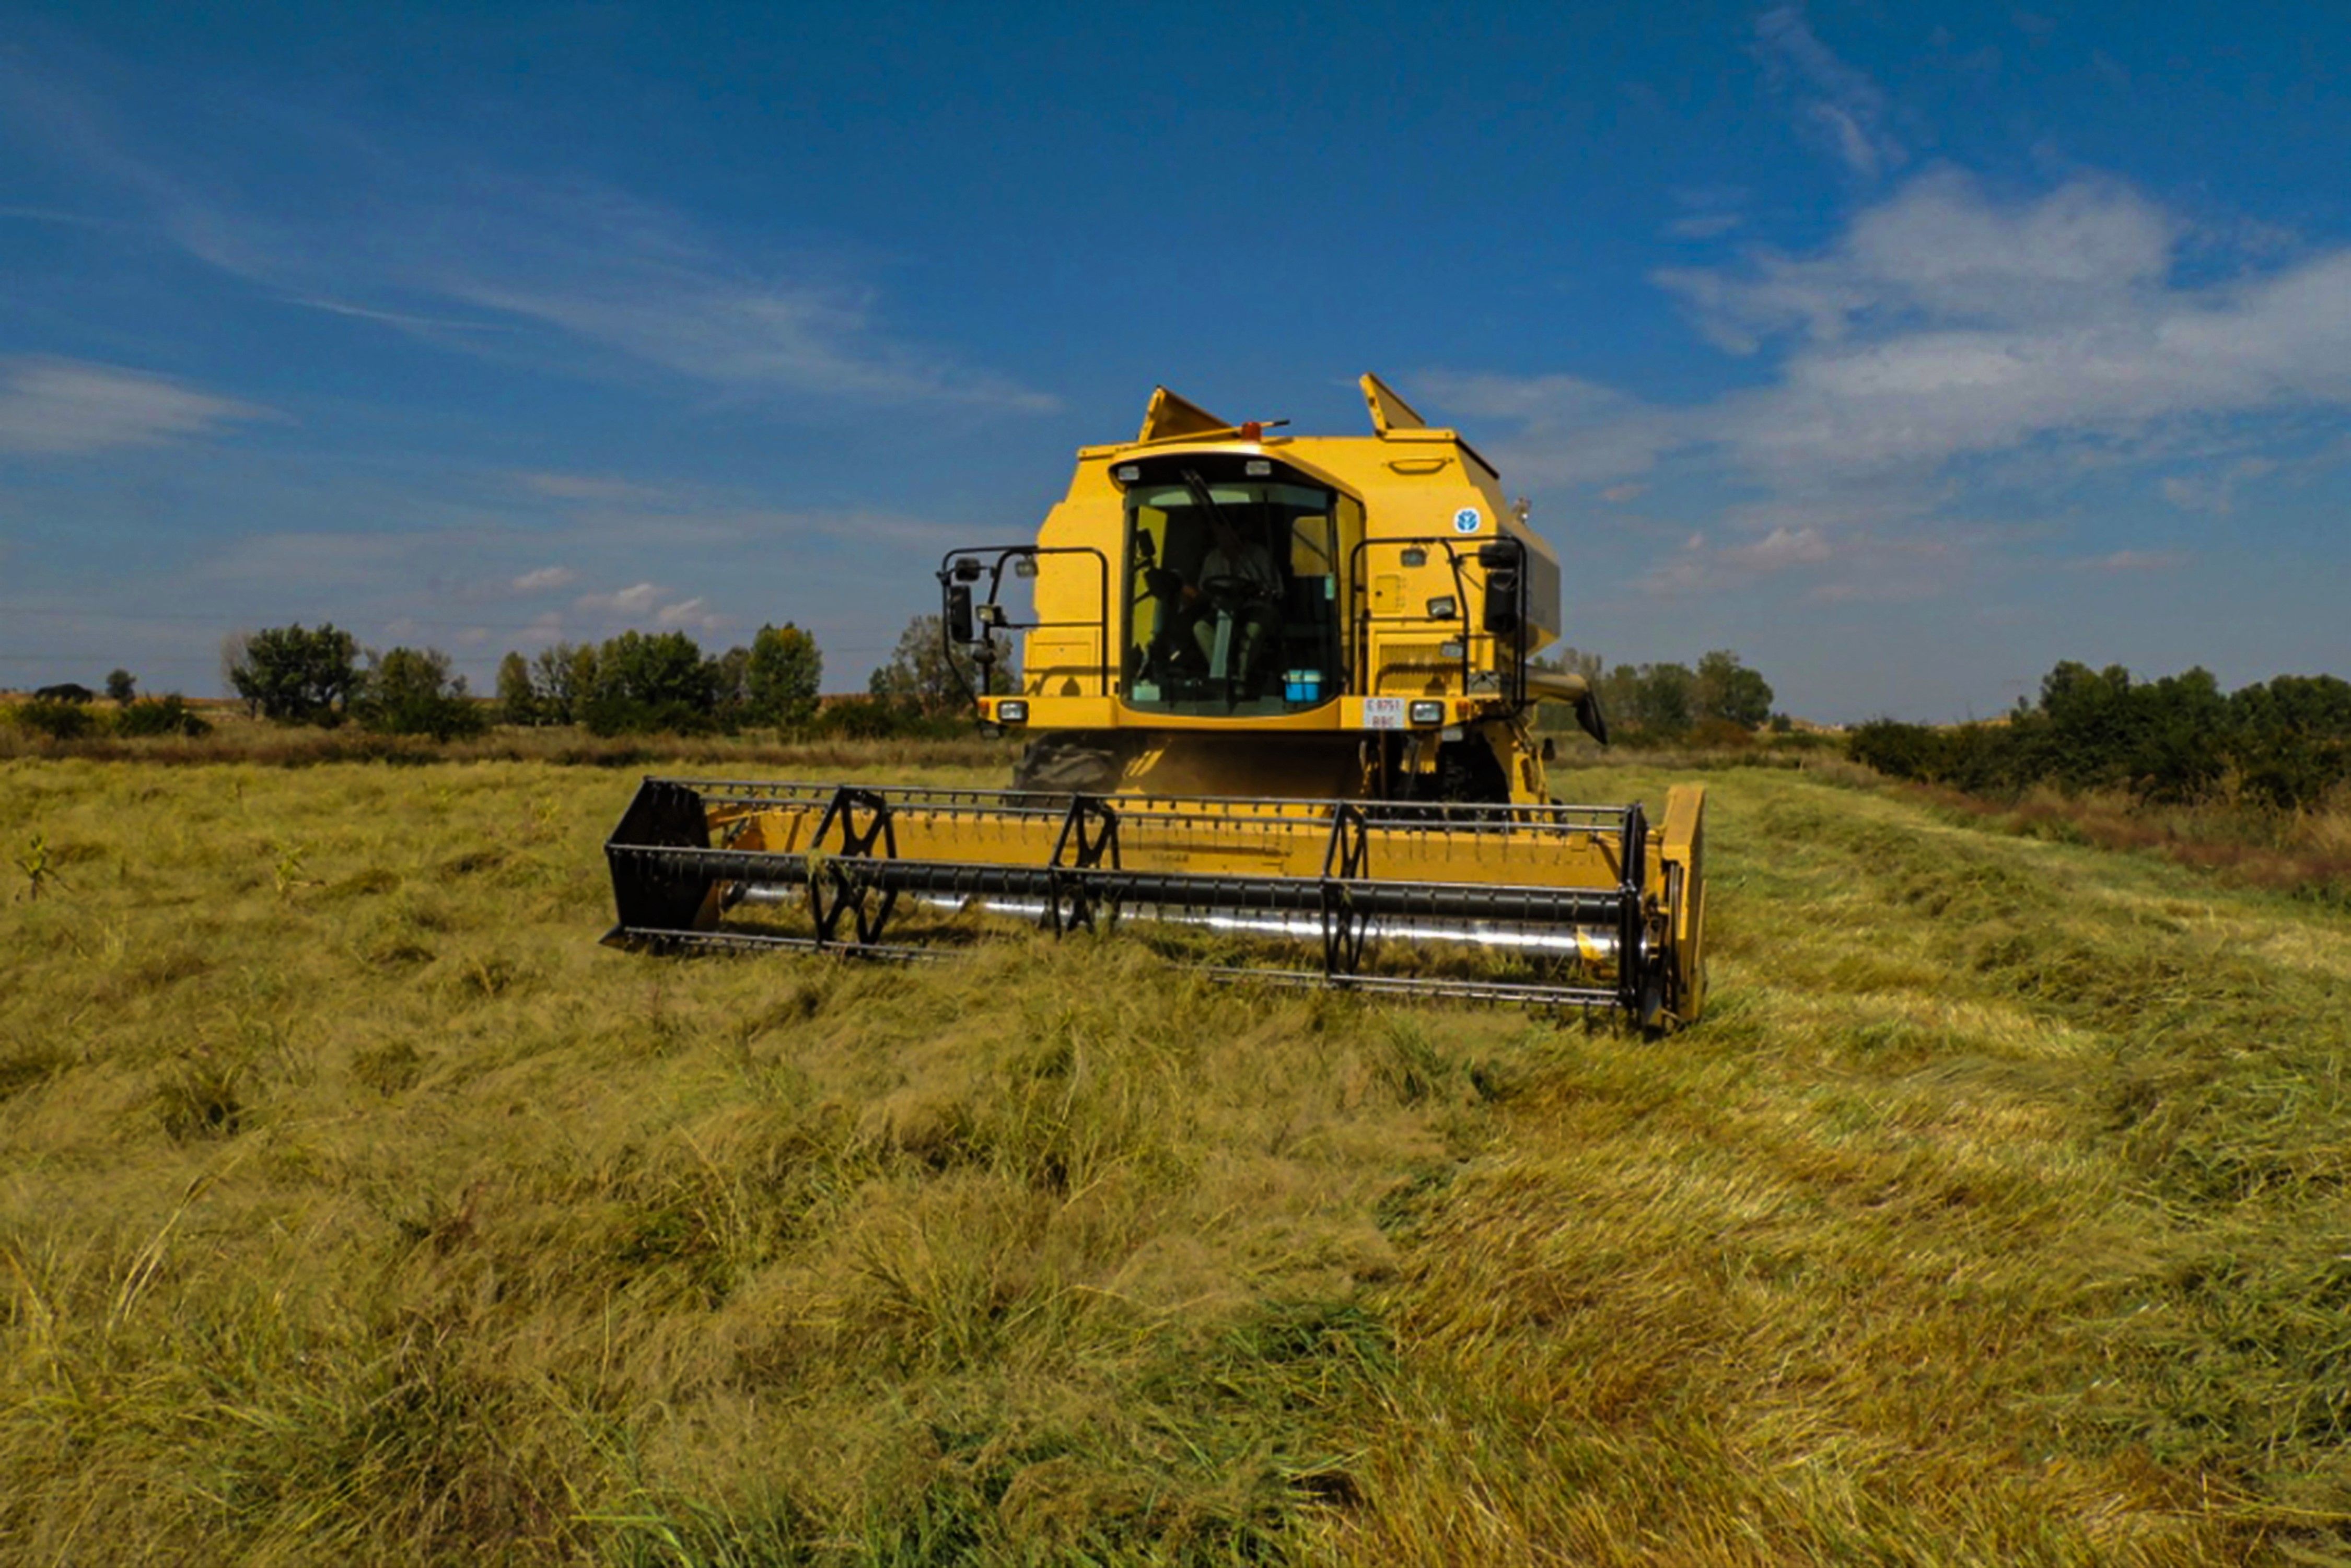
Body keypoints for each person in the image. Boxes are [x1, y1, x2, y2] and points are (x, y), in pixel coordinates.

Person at [1153, 515, 1283, 688]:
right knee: (1201, 627)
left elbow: (1277, 592)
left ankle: (1240, 680)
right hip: (1221, 611)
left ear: (1240, 533)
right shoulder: (1212, 559)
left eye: (1229, 534)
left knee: (1253, 630)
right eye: (1221, 536)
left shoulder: (1260, 557)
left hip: (1254, 609)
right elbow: (1204, 591)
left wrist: (1259, 593)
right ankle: (1221, 675)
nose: (1225, 540)